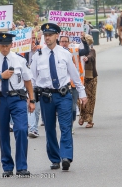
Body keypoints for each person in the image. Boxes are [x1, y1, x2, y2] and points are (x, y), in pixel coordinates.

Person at [30, 23, 87, 171]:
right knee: (49, 128)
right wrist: (31, 97)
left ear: (57, 36)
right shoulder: (38, 56)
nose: (47, 37)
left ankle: (66, 157)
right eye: (45, 35)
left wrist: (82, 93)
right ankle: (55, 159)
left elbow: (74, 75)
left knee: (65, 126)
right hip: (46, 96)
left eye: (50, 35)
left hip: (63, 95)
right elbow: (33, 79)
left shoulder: (65, 53)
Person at [0, 32, 35, 177]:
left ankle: (22, 166)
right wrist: (0, 76)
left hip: (17, 98)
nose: (4, 49)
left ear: (11, 45)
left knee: (22, 130)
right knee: (3, 133)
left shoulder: (19, 60)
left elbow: (28, 80)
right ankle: (7, 166)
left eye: (7, 46)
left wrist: (32, 99)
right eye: (2, 46)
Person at [59, 33, 89, 134]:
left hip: (74, 84)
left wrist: (83, 40)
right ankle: (67, 127)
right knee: (64, 107)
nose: (64, 43)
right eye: (62, 41)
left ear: (69, 43)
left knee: (72, 109)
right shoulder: (55, 53)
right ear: (59, 42)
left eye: (65, 42)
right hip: (62, 85)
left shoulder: (74, 51)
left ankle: (70, 124)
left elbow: (86, 51)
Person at [79, 35, 98, 128]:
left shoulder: (92, 50)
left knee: (90, 98)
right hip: (80, 78)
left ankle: (89, 120)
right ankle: (82, 116)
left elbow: (91, 56)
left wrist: (87, 58)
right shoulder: (78, 51)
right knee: (80, 98)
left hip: (91, 77)